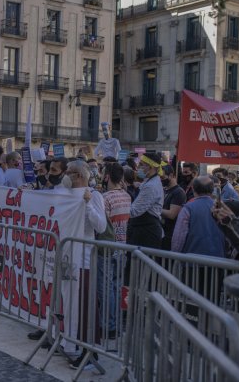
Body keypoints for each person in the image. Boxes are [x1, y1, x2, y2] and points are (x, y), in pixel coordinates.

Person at [65, 160, 106, 368]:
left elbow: (101, 225)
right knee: (70, 303)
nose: (65, 175)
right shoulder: (65, 194)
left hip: (84, 258)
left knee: (85, 305)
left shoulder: (94, 195)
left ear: (78, 175)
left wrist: (88, 203)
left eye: (68, 172)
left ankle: (91, 350)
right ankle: (71, 342)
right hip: (67, 258)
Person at [99, 162, 131, 338]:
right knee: (117, 287)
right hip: (122, 246)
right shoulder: (126, 196)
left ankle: (108, 326)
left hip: (109, 248)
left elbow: (102, 225)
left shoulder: (106, 198)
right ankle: (116, 324)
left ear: (107, 177)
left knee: (106, 289)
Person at [171, 175, 225, 257]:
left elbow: (179, 237)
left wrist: (175, 254)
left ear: (193, 189)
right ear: (212, 189)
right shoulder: (222, 208)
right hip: (218, 259)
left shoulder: (188, 208)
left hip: (192, 260)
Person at [128, 153, 164, 249]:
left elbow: (135, 211)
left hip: (146, 233)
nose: (138, 167)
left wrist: (119, 206)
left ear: (150, 167)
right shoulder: (149, 181)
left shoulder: (151, 186)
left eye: (141, 165)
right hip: (142, 229)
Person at [160, 165, 187, 250]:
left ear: (171, 175)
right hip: (162, 232)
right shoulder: (164, 190)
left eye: (162, 177)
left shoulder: (178, 192)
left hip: (170, 235)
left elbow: (172, 214)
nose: (161, 180)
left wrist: (154, 208)